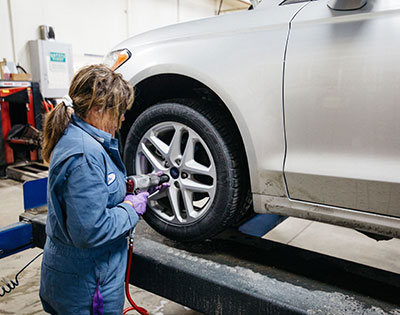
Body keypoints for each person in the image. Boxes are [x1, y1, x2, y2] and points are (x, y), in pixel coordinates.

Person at [40, 64, 148, 314]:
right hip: (86, 289)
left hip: (80, 278)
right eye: (120, 111)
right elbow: (90, 231)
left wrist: (124, 186)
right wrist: (131, 209)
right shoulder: (85, 156)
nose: (122, 118)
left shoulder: (78, 137)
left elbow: (93, 192)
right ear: (98, 109)